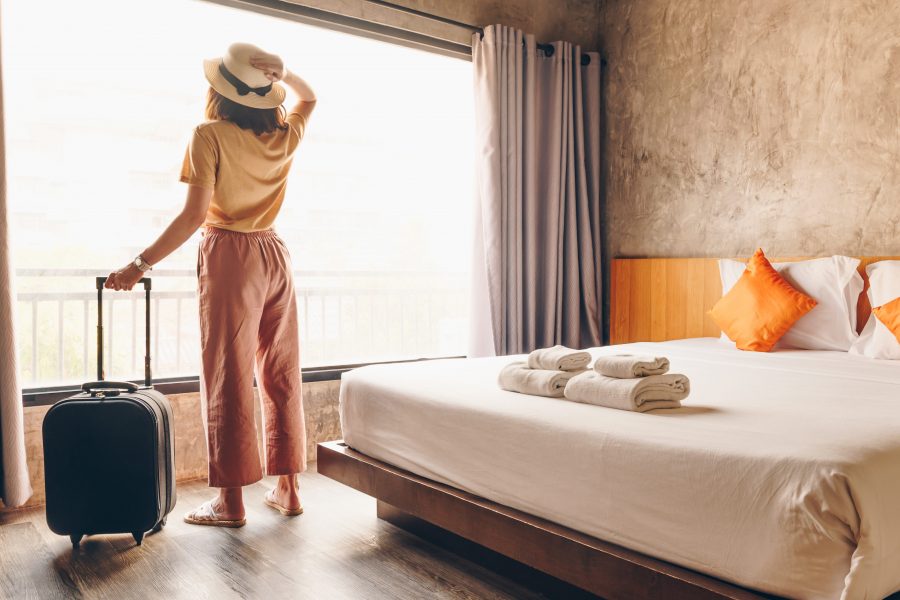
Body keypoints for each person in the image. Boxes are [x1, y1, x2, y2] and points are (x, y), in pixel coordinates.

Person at [105, 42, 317, 527]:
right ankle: (288, 489)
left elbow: (193, 217)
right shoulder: (283, 134)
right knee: (281, 369)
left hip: (229, 255)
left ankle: (231, 502)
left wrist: (140, 264)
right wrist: (287, 72)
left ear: (219, 89)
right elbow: (309, 99)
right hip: (274, 254)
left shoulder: (208, 134)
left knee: (228, 373)